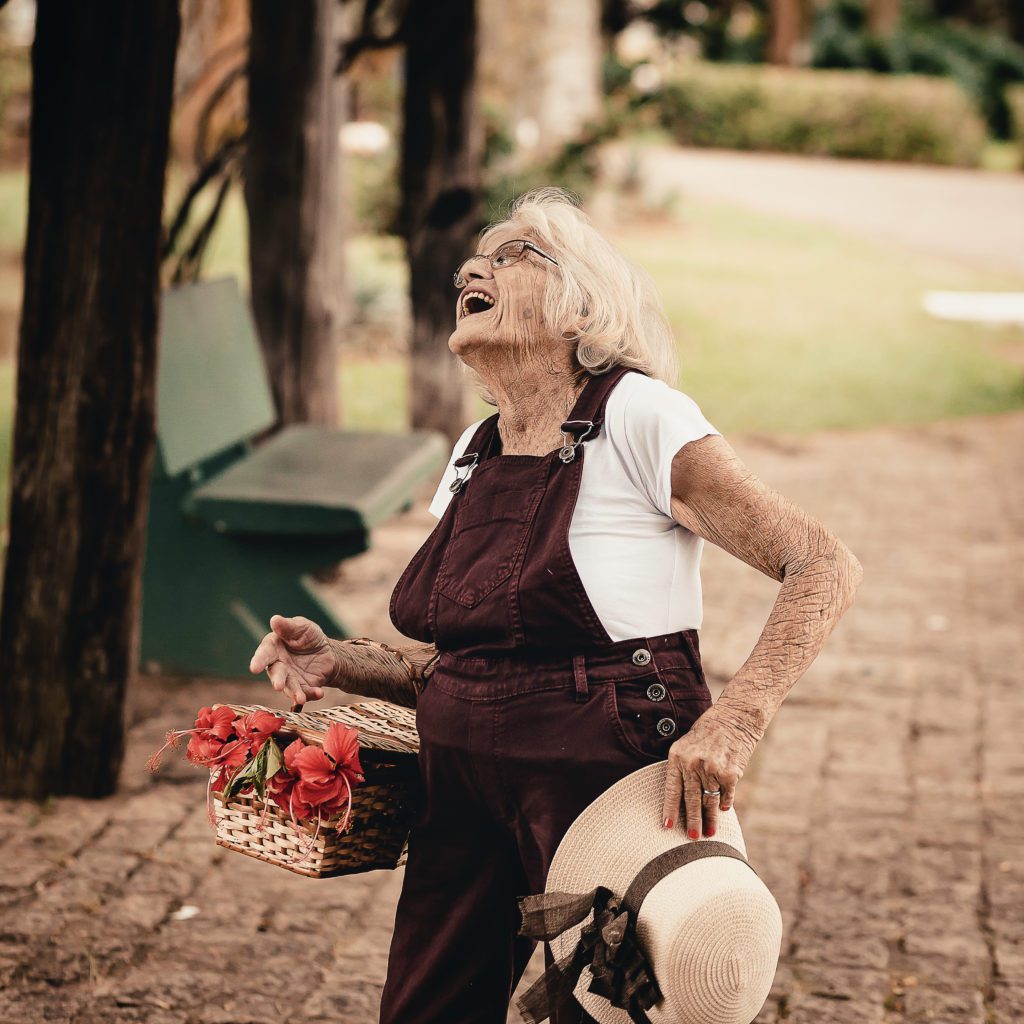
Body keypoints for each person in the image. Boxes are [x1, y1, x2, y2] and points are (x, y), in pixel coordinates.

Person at [249, 186, 863, 1024]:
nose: (475, 265)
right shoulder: (475, 450)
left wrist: (736, 720)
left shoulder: (641, 417)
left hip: (602, 771)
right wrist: (342, 660)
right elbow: (467, 665)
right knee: (425, 1008)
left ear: (583, 302)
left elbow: (821, 562)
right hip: (459, 782)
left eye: (512, 254)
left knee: (606, 1012)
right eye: (477, 258)